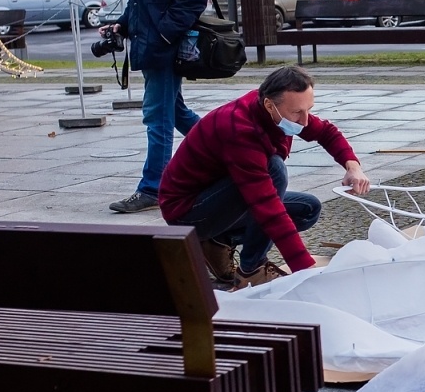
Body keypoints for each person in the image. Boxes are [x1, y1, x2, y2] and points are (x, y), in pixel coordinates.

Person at [158, 66, 371, 288]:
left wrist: (352, 166)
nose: (305, 121)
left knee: (308, 209)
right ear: (270, 105)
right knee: (274, 170)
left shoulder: (274, 110)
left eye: (309, 109)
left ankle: (218, 241)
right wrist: (304, 268)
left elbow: (326, 131)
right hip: (188, 212)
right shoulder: (239, 130)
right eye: (297, 112)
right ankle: (252, 270)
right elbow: (267, 207)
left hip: (221, 197)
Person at [103, 0, 209, 214]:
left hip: (165, 45)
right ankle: (225, 147)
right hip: (147, 44)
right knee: (174, 112)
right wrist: (121, 26)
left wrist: (164, 33)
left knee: (157, 116)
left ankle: (153, 187)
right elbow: (140, 0)